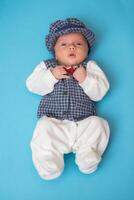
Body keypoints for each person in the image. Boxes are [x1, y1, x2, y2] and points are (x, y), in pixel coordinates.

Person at [26, 18, 110, 180]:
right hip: (55, 122)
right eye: (63, 44)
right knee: (43, 127)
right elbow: (32, 85)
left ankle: (87, 154)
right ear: (54, 51)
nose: (71, 46)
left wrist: (86, 79)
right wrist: (50, 76)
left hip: (83, 123)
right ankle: (48, 162)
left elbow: (99, 93)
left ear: (87, 50)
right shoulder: (47, 66)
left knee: (100, 124)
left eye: (79, 44)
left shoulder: (90, 67)